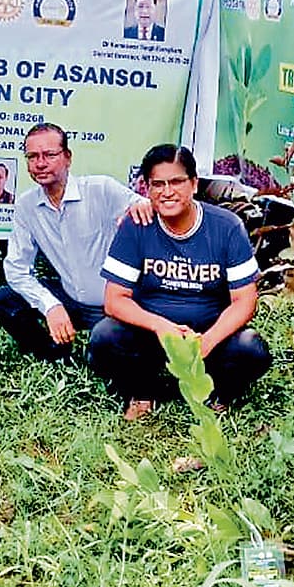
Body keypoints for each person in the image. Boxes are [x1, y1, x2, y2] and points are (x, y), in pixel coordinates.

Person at [92, 144, 271, 420]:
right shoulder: (136, 225)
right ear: (147, 189)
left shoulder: (226, 227)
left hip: (209, 333)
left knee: (251, 348)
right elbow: (114, 300)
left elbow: (245, 301)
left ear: (194, 184)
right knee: (104, 337)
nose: (167, 192)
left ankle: (216, 396)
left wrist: (208, 341)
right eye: (158, 184)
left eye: (176, 181)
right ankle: (142, 393)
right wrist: (161, 326)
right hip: (151, 334)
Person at [0, 123, 152, 360]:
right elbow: (16, 268)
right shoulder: (26, 206)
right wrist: (50, 306)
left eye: (49, 155)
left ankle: (101, 348)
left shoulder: (100, 189)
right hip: (70, 298)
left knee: (102, 352)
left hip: (114, 305)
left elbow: (143, 207)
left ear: (67, 158)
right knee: (3, 299)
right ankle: (53, 355)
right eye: (32, 157)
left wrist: (141, 207)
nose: (40, 163)